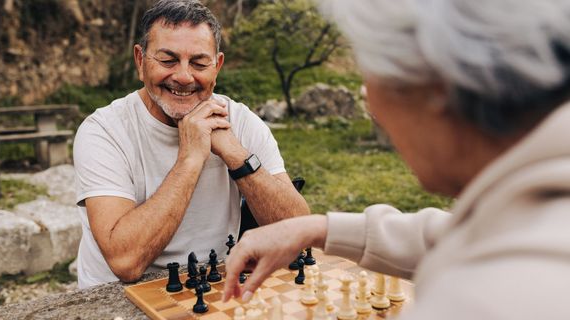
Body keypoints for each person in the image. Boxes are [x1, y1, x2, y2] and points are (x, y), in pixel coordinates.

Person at [223, 0, 570, 318]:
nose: (373, 110)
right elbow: (463, 234)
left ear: (434, 86)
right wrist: (315, 228)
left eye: (369, 77)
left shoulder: (473, 302)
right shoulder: (538, 207)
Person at [73, 0, 309, 289]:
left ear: (217, 66)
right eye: (168, 60)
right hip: (118, 295)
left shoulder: (241, 121)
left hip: (210, 284)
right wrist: (190, 158)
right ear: (140, 60)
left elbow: (299, 233)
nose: (184, 76)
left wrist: (235, 154)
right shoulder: (103, 131)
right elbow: (125, 261)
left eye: (198, 63)